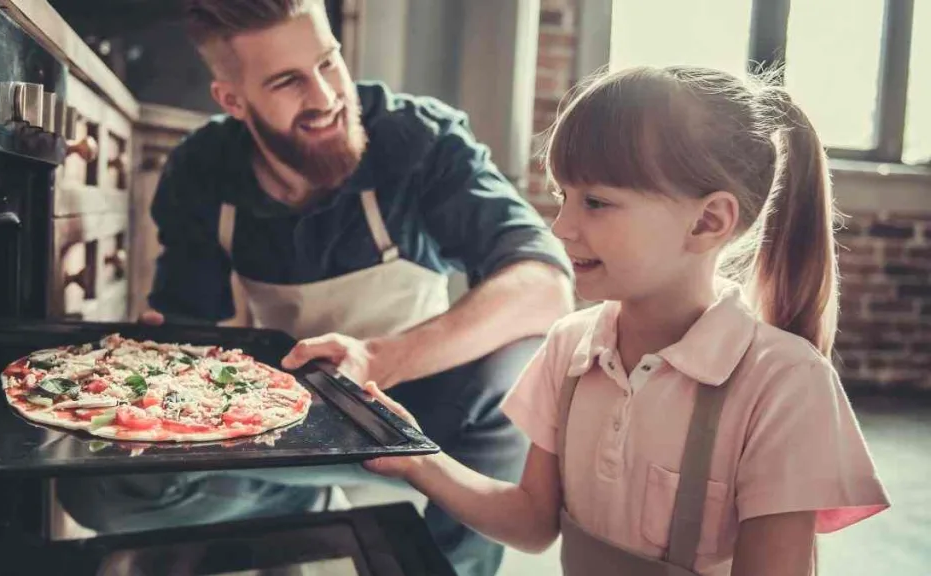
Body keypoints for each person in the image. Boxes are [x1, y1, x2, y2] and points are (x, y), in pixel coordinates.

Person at [55, 1, 573, 575]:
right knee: (98, 492)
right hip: (282, 420)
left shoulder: (420, 142)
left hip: (416, 419)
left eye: (329, 63)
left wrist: (381, 357)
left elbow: (544, 285)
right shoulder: (201, 171)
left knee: (509, 373)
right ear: (232, 100)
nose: (325, 97)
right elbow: (184, 321)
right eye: (287, 82)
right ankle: (295, 507)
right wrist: (158, 356)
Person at [361, 65, 892, 575]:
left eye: (595, 202)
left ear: (708, 222)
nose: (561, 227)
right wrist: (416, 457)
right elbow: (531, 522)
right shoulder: (569, 346)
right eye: (561, 196)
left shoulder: (783, 383)